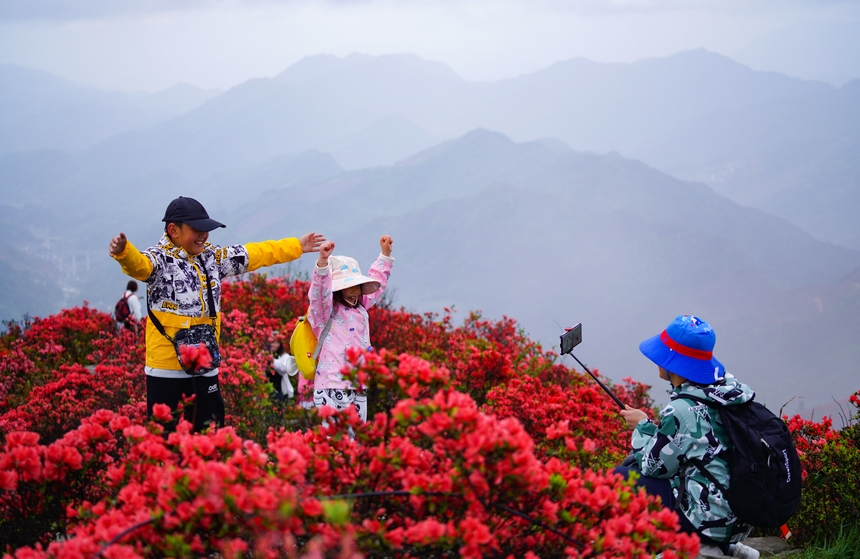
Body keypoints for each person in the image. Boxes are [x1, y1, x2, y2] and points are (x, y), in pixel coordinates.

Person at [108, 195, 325, 432]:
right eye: (197, 229)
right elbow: (140, 265)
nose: (203, 235)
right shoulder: (159, 260)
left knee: (210, 435)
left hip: (206, 366)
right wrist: (124, 252)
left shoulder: (212, 257)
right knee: (163, 441)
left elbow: (255, 253)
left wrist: (297, 246)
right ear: (173, 230)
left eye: (206, 229)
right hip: (165, 369)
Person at [617, 315, 760, 559]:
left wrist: (642, 427)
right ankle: (727, 548)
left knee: (620, 478)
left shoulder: (683, 410)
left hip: (710, 518)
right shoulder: (729, 390)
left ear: (672, 362)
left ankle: (700, 548)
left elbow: (654, 467)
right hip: (740, 514)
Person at [309, 235, 394, 422]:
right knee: (336, 442)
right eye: (349, 286)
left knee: (355, 442)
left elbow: (377, 284)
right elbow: (319, 293)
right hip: (333, 384)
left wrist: (385, 257)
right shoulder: (325, 312)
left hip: (357, 384)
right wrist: (322, 264)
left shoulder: (361, 307)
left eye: (357, 286)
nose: (354, 291)